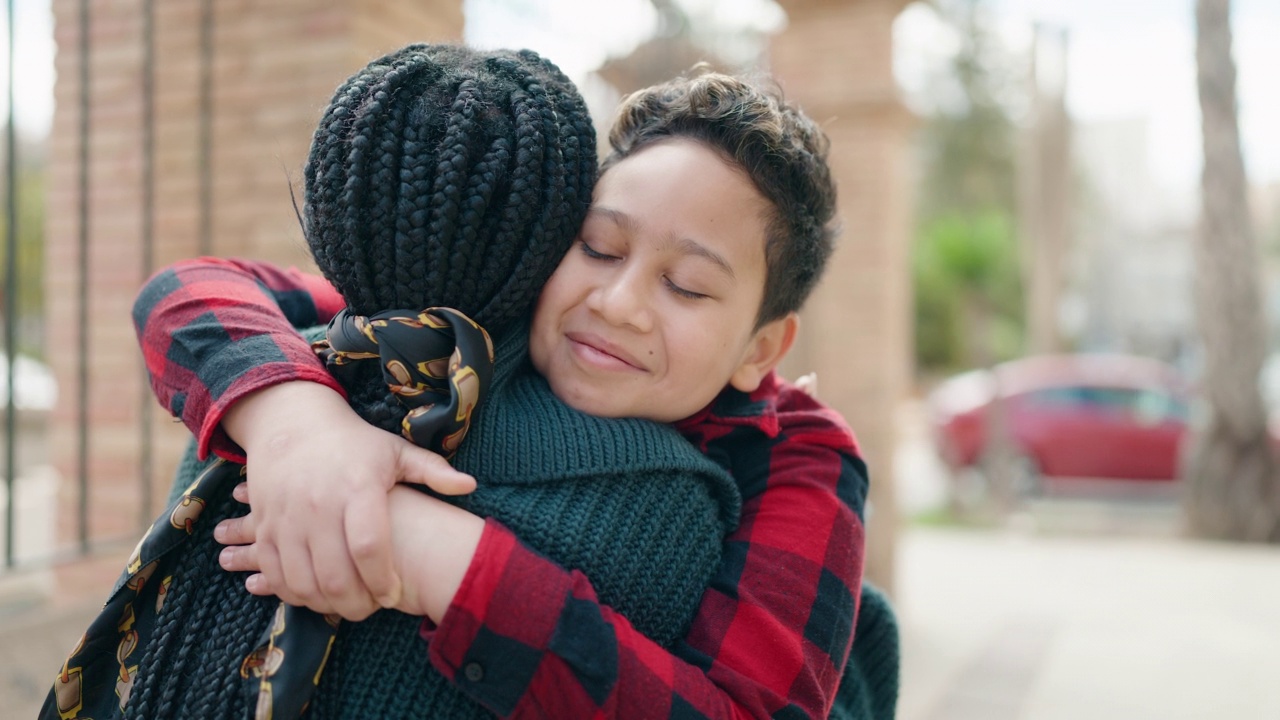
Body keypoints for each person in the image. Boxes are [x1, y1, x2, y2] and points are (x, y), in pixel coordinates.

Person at [104, 50, 891, 719]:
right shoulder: (486, 319)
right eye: (599, 247)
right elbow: (195, 291)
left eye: (685, 286)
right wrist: (296, 424)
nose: (617, 306)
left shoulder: (803, 456)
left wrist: (430, 554)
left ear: (761, 348)